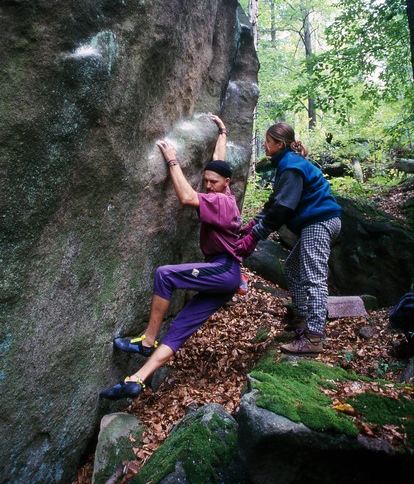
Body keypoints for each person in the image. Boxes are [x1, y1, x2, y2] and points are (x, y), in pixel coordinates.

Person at [100, 115, 242, 400]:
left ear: (226, 183)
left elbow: (188, 198)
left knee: (165, 274)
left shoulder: (222, 202)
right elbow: (218, 162)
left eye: (213, 182)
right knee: (179, 328)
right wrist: (222, 131)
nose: (208, 186)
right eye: (205, 181)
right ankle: (136, 380)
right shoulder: (224, 191)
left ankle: (147, 340)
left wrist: (172, 161)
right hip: (224, 280)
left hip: (224, 270)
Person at [236, 122, 341, 355]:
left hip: (319, 221)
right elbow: (274, 202)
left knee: (314, 278)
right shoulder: (286, 165)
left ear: (279, 144)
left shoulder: (292, 167)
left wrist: (256, 235)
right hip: (317, 222)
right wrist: (253, 224)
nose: (264, 144)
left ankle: (313, 337)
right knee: (293, 269)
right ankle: (301, 318)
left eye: (268, 141)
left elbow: (283, 207)